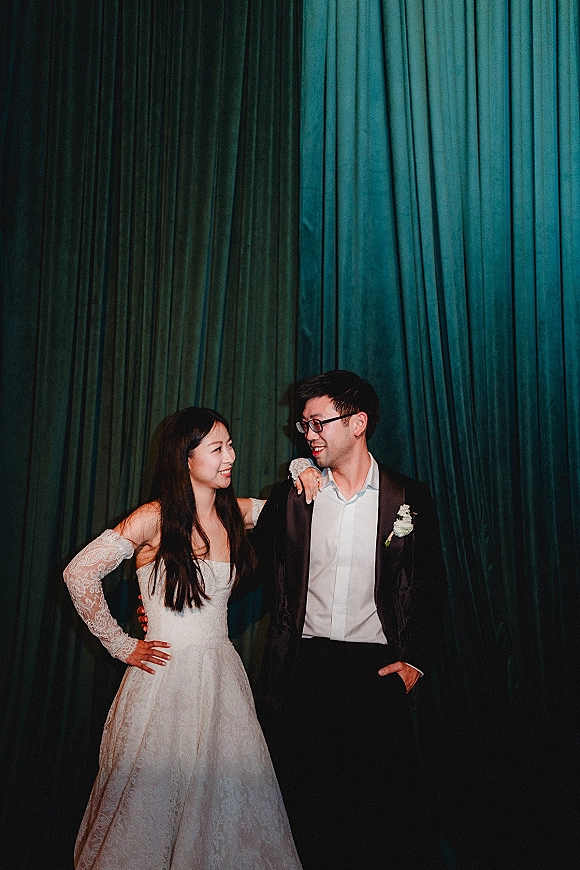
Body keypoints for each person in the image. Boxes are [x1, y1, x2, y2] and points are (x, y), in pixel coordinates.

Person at [63, 406, 304, 870]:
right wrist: (121, 644)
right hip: (164, 682)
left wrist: (303, 473)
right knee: (150, 811)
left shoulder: (236, 514)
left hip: (222, 681)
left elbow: (290, 506)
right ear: (185, 459)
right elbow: (80, 573)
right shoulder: (152, 518)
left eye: (230, 445)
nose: (230, 456)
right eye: (217, 449)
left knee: (223, 805)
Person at [249, 370, 448, 870]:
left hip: (374, 674)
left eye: (318, 424)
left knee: (378, 817)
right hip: (302, 668)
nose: (308, 434)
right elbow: (248, 571)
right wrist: (176, 603)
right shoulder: (293, 496)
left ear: (358, 423)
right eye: (305, 426)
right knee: (303, 813)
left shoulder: (409, 499)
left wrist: (414, 665)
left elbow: (431, 589)